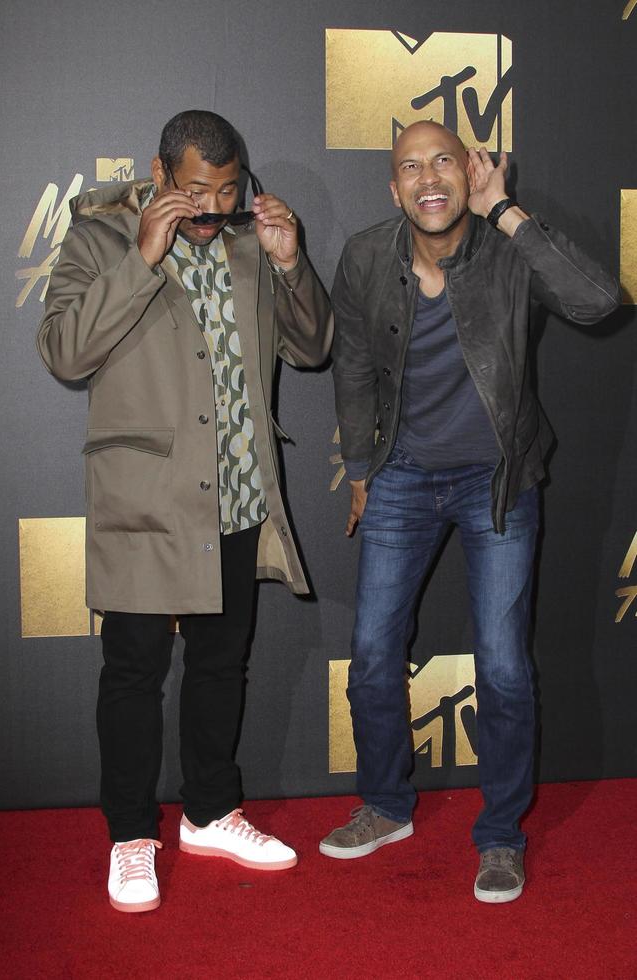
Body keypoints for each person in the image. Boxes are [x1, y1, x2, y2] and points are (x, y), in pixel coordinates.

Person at [37, 109, 332, 913]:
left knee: (219, 666)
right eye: (196, 189)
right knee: (133, 674)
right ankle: (131, 836)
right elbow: (64, 350)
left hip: (236, 496)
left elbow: (313, 347)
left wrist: (292, 261)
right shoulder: (100, 238)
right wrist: (142, 258)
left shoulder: (249, 239)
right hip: (145, 502)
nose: (212, 206)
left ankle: (209, 811)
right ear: (162, 177)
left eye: (228, 189)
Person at [322, 120, 619, 903]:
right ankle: (386, 805)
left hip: (498, 481)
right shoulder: (363, 255)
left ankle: (500, 836)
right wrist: (360, 468)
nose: (429, 178)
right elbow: (351, 364)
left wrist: (507, 211)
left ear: (471, 170)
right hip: (400, 478)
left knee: (506, 668)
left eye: (444, 162)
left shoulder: (506, 249)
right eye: (410, 167)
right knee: (374, 656)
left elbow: (597, 302)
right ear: (393, 187)